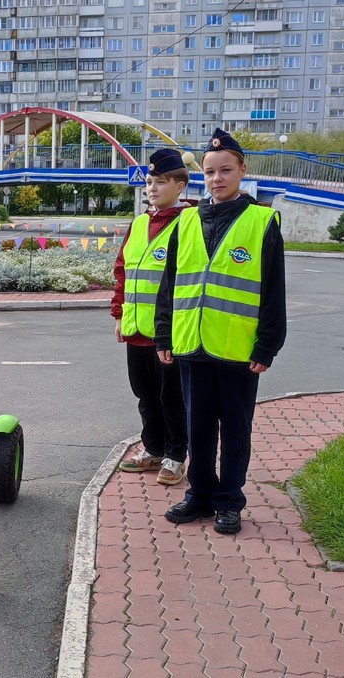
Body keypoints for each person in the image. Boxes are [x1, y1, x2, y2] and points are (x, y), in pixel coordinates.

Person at [154, 128, 287, 535]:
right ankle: (200, 495)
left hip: (237, 349)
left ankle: (229, 500)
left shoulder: (262, 221)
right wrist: (164, 334)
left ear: (242, 171)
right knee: (197, 427)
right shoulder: (187, 220)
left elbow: (273, 290)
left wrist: (268, 344)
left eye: (225, 170)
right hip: (191, 343)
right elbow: (169, 283)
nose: (217, 179)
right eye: (210, 172)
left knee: (234, 429)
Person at [112, 149, 194, 486]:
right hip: (136, 330)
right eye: (149, 182)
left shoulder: (188, 223)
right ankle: (154, 448)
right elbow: (123, 271)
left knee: (171, 398)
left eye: (161, 182)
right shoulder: (140, 223)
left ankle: (176, 456)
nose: (152, 188)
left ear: (180, 186)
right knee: (145, 395)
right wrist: (119, 314)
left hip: (169, 333)